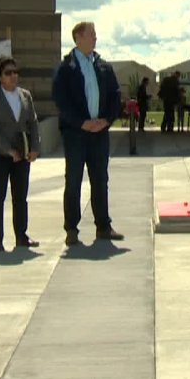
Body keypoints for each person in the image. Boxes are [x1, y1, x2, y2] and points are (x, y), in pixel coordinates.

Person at [53, 21, 124, 245]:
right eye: (91, 34)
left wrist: (107, 120)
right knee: (73, 180)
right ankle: (72, 229)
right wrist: (81, 123)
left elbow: (115, 95)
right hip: (76, 134)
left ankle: (103, 226)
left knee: (100, 179)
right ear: (78, 38)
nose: (95, 38)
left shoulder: (103, 65)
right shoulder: (66, 68)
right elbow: (61, 101)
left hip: (99, 133)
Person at [0, 56, 41, 252]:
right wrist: (8, 150)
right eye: (8, 73)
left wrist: (34, 147)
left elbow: (32, 122)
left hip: (22, 154)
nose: (13, 76)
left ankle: (21, 236)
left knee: (20, 197)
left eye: (15, 72)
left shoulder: (25, 95)